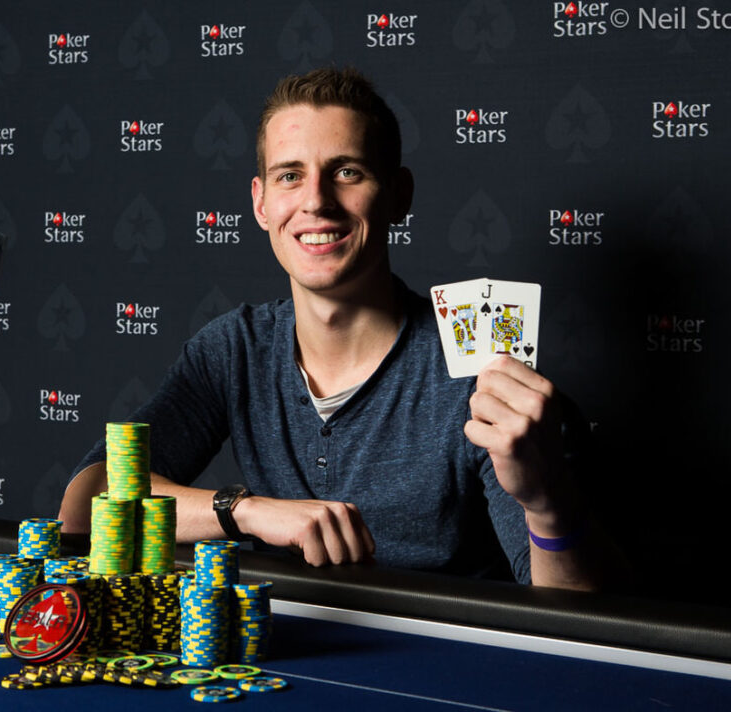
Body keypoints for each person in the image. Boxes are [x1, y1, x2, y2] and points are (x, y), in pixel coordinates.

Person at [61, 67, 622, 590]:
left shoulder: (478, 364)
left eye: (347, 172)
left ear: (398, 195)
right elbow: (87, 504)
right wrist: (244, 511)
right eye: (290, 176)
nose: (316, 202)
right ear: (261, 204)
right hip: (287, 649)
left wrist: (547, 503)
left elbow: (574, 617)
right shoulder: (234, 349)